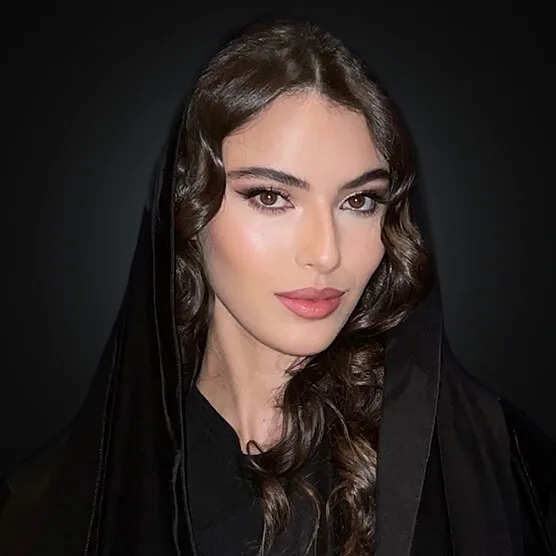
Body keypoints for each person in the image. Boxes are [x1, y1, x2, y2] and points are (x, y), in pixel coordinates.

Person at [1, 19, 555, 556]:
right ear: (186, 209)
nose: (326, 253)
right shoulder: (46, 508)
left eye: (359, 201)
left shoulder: (498, 462)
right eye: (271, 197)